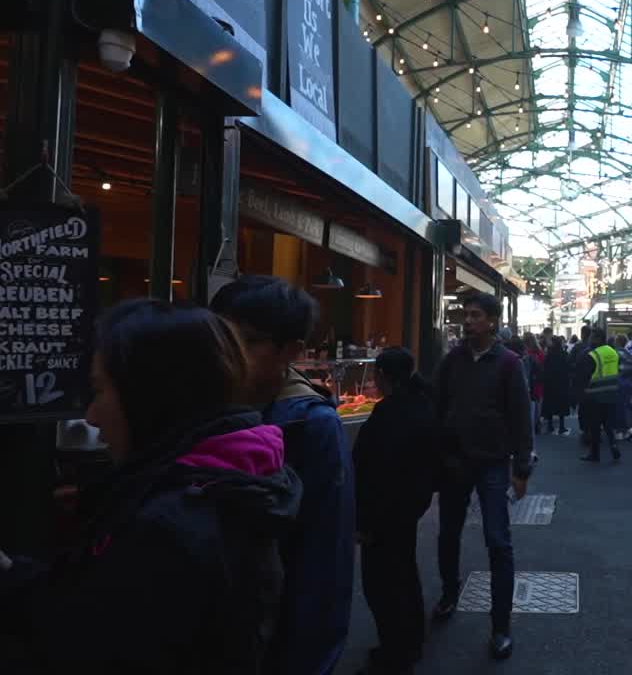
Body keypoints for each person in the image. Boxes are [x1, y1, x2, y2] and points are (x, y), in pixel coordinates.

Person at [0, 299, 302, 674]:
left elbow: (82, 643)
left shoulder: (171, 528)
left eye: (101, 390)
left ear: (151, 401)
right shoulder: (223, 488)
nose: (92, 415)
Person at [211, 275, 354, 675]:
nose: (230, 353)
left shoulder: (312, 426)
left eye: (250, 341)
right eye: (221, 337)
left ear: (292, 351)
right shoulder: (205, 400)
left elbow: (324, 563)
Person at [432, 293, 532, 660]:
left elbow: (521, 417)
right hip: (455, 462)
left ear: (492, 321)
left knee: (498, 542)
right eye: (466, 315)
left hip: (492, 463)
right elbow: (437, 404)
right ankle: (448, 592)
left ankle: (501, 624)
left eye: (475, 316)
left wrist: (521, 467)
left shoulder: (508, 363)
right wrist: (440, 452)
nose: (468, 321)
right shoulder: (452, 360)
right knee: (448, 533)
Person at [352, 348, 436, 675]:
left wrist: (363, 521)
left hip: (384, 513)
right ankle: (409, 643)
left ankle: (395, 653)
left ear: (383, 376)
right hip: (409, 506)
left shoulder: (389, 414)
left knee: (383, 584)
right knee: (404, 574)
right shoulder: (422, 403)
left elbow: (372, 469)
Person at [578, 328, 622, 462]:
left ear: (597, 338)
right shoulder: (613, 352)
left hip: (595, 395)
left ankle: (594, 454)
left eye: (592, 337)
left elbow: (585, 375)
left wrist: (582, 392)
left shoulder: (592, 354)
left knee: (595, 425)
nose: (589, 339)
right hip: (612, 392)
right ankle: (614, 445)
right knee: (608, 423)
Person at [542, 336, 572, 435]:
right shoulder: (564, 354)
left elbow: (544, 369)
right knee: (561, 404)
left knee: (550, 403)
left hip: (550, 383)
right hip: (562, 383)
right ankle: (561, 426)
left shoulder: (548, 355)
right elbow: (568, 368)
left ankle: (550, 425)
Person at [522, 333, 545, 461]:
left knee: (529, 417)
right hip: (537, 386)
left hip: (530, 387)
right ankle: (538, 423)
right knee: (536, 409)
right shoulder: (540, 353)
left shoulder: (527, 355)